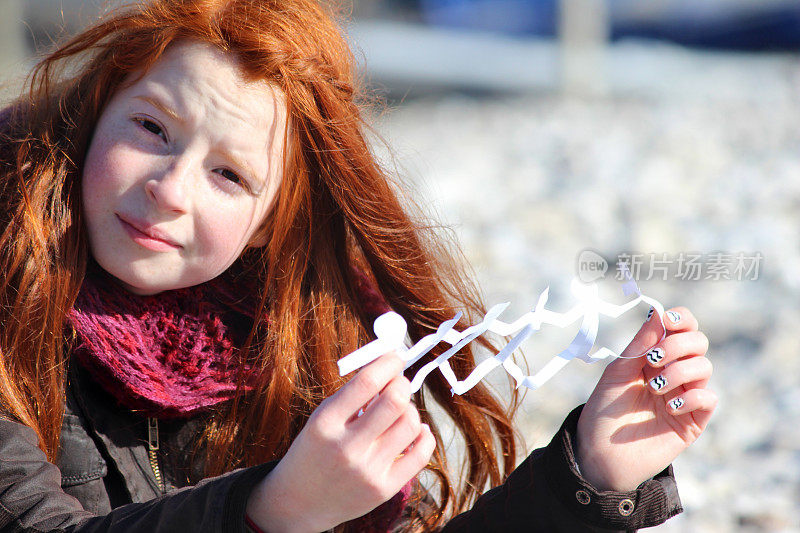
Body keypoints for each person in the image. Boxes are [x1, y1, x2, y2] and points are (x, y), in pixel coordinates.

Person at [0, 1, 717, 531]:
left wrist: (590, 474)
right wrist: (272, 509)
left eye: (230, 175)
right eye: (152, 127)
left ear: (268, 224)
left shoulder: (294, 341)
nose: (170, 187)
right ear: (98, 107)